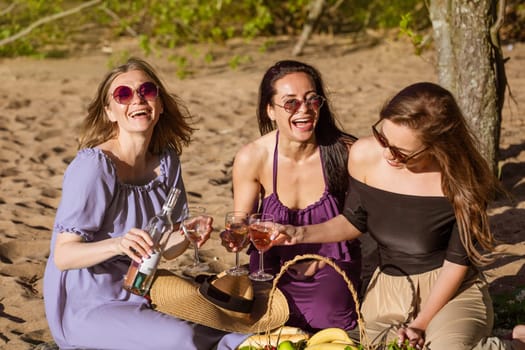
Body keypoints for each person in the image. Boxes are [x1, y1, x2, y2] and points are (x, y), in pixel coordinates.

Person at [274, 82, 525, 350]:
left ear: (436, 146)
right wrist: (299, 233)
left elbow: (456, 263)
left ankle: (515, 343)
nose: (387, 154)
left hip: (450, 291)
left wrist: (420, 323)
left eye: (401, 152)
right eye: (383, 138)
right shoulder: (364, 155)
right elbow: (353, 220)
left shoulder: (463, 182)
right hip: (387, 291)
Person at [43, 57, 248, 350]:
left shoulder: (166, 162)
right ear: (110, 113)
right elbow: (63, 255)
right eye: (123, 95)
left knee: (219, 325)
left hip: (144, 287)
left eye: (147, 90)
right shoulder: (95, 167)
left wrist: (187, 235)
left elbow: (168, 248)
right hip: (88, 302)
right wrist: (118, 244)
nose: (137, 99)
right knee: (182, 338)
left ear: (160, 104)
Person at [227, 60, 362, 333]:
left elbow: (362, 222)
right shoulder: (253, 157)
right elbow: (241, 221)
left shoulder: (346, 152)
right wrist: (234, 234)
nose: (304, 110)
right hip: (271, 264)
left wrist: (315, 257)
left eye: (312, 100)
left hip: (331, 263)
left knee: (328, 319)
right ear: (270, 110)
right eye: (290, 103)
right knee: (263, 322)